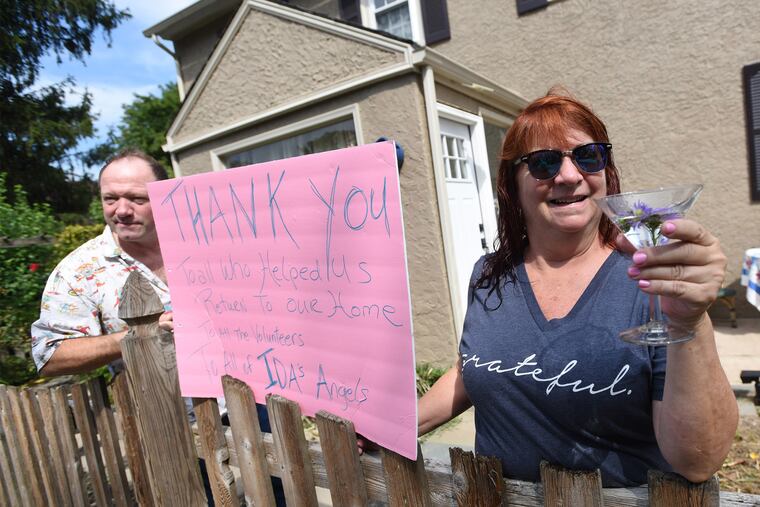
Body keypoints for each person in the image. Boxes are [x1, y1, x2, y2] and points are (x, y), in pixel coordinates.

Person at [417, 90, 738, 487]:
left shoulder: (650, 279)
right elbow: (474, 368)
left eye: (588, 156)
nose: (569, 176)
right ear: (512, 186)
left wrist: (691, 320)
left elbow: (697, 462)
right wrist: (397, 423)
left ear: (606, 172)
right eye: (543, 162)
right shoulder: (489, 274)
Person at [31, 149, 285, 505]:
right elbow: (49, 355)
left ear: (165, 195)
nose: (121, 209)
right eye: (110, 198)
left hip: (249, 398)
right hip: (170, 423)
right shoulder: (80, 270)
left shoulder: (207, 241)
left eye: (137, 198)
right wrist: (136, 337)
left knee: (284, 492)